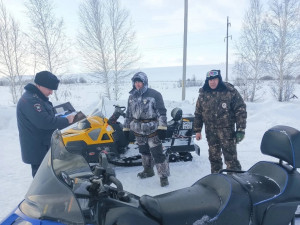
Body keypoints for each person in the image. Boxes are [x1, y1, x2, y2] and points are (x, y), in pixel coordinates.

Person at [17, 71, 75, 177]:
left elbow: (47, 114)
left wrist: (64, 112)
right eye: (49, 89)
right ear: (39, 85)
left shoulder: (38, 98)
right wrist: (67, 120)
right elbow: (45, 122)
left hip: (43, 145)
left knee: (49, 176)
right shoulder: (31, 101)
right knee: (41, 179)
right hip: (37, 149)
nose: (51, 92)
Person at [194, 69, 247, 173]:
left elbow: (240, 109)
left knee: (231, 159)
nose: (212, 82)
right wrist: (197, 130)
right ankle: (216, 180)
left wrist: (241, 129)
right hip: (210, 132)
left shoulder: (229, 91)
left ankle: (235, 181)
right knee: (214, 158)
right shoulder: (203, 93)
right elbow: (198, 113)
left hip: (227, 132)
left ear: (219, 80)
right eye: (210, 80)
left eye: (214, 79)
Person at [123, 71, 170, 187]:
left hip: (152, 130)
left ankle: (163, 177)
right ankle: (148, 171)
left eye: (140, 82)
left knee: (158, 154)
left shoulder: (155, 94)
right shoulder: (131, 97)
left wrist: (162, 127)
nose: (137, 84)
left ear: (145, 82)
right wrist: (126, 129)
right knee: (144, 152)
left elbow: (162, 112)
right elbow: (128, 114)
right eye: (135, 82)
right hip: (138, 131)